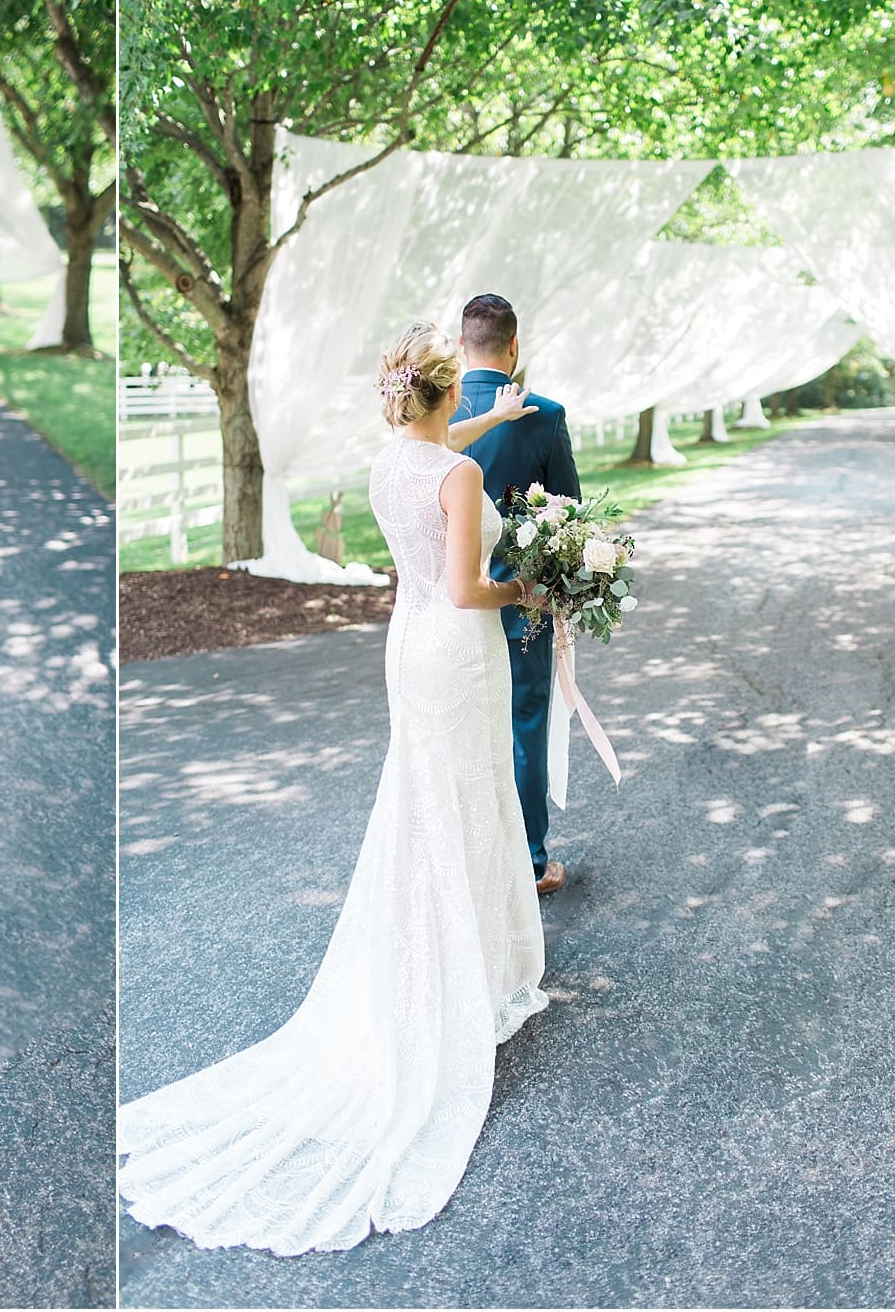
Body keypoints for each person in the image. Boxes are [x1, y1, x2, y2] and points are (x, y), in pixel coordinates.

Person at [117, 322, 549, 1256]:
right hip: (458, 648)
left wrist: (498, 418)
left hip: (408, 646)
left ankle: (444, 963)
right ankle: (461, 978)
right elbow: (468, 588)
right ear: (447, 394)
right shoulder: (457, 475)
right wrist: (531, 592)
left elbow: (440, 452)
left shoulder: (392, 462)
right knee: (467, 806)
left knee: (426, 806)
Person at [450, 292, 584, 894]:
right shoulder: (544, 414)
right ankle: (529, 862)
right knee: (524, 726)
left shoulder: (434, 416)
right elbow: (569, 514)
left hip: (449, 609)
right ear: (514, 346)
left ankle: (466, 860)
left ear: (461, 346)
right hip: (521, 605)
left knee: (460, 730)